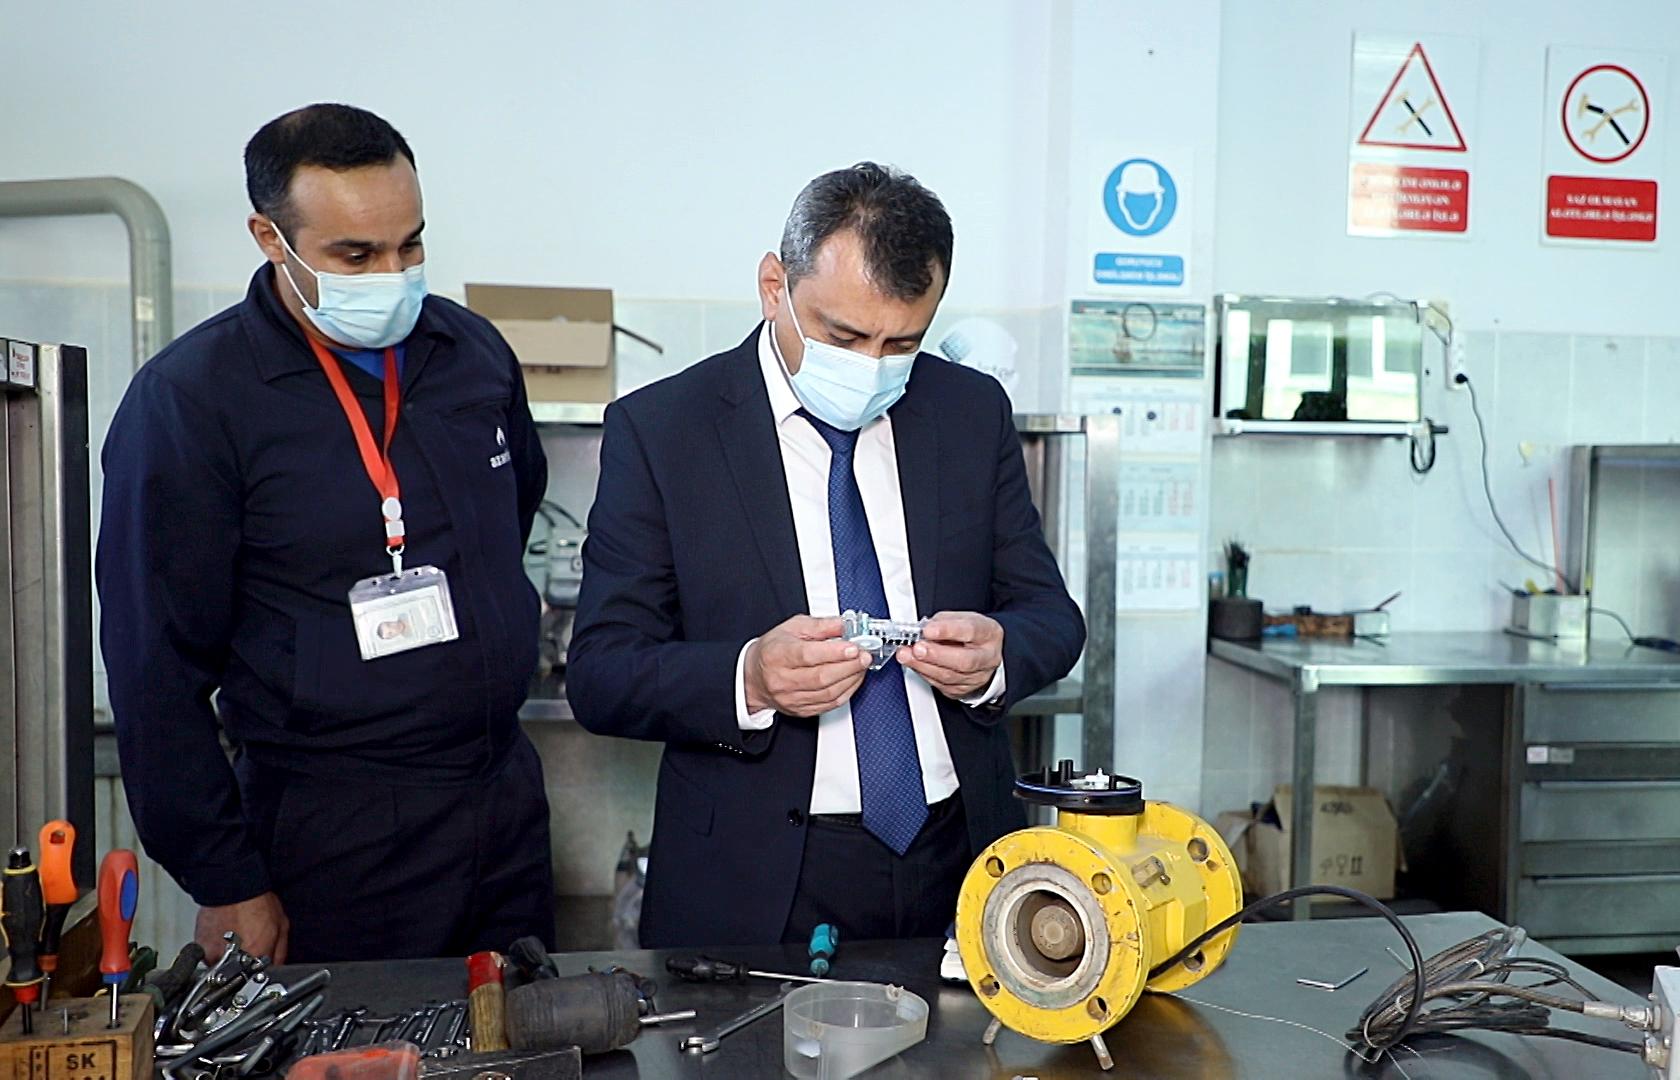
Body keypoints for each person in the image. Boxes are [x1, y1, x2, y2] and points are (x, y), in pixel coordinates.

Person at [568, 162, 1085, 946]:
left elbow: (1051, 615)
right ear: (774, 287)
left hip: (961, 857)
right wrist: (749, 676)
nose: (872, 367)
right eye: (844, 336)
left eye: (902, 343)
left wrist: (997, 659)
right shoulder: (665, 431)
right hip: (756, 872)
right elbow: (602, 672)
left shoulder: (968, 413)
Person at [97, 103, 554, 963]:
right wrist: (224, 876)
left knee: (519, 1029)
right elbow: (155, 668)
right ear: (270, 238)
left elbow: (511, 517)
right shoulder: (194, 401)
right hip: (333, 829)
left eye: (410, 245)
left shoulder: (471, 355)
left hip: (500, 803)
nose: (393, 275)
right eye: (356, 255)